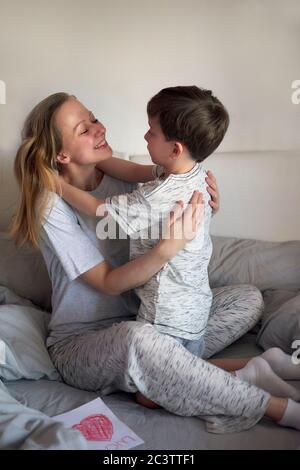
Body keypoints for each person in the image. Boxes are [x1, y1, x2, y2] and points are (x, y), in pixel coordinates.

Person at [10, 92, 300, 434]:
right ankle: (275, 407)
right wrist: (165, 250)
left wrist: (203, 197)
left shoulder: (122, 176)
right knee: (140, 339)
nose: (98, 128)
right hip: (84, 344)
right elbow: (107, 282)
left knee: (248, 299)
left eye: (94, 117)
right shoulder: (50, 206)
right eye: (83, 129)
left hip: (150, 317)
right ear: (61, 153)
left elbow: (172, 174)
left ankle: (235, 369)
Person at [54, 86, 228, 360]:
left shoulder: (152, 196)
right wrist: (96, 159)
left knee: (148, 396)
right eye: (84, 129)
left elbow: (100, 209)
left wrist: (55, 184)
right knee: (183, 369)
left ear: (175, 149)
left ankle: (244, 372)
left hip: (164, 313)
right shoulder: (196, 175)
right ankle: (250, 369)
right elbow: (133, 169)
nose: (145, 135)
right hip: (196, 310)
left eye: (152, 132)